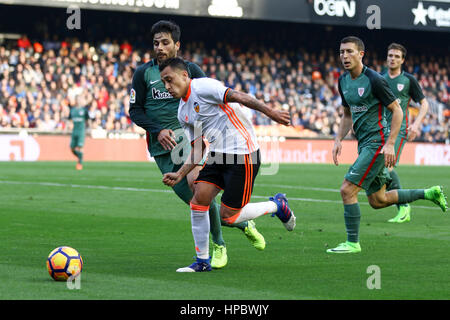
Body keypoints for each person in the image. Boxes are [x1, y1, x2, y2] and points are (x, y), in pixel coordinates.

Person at [128, 20, 265, 270]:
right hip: (161, 149)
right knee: (195, 201)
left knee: (197, 188)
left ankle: (218, 246)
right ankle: (242, 222)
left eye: (165, 42)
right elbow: (134, 111)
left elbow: (216, 101)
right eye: (156, 43)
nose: (159, 47)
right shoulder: (143, 74)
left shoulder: (190, 70)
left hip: (190, 139)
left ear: (177, 45)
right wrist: (157, 131)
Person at [159, 58, 296, 272]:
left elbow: (239, 96)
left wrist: (272, 113)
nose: (167, 86)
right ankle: (202, 261)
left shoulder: (203, 86)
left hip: (243, 154)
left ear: (185, 75)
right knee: (199, 200)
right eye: (164, 83)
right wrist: (180, 174)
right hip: (216, 155)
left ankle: (277, 205)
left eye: (170, 80)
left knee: (229, 216)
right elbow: (198, 149)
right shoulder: (182, 111)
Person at [328, 36, 447, 254]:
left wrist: (390, 143)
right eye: (342, 52)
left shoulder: (374, 79)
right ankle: (429, 193)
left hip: (378, 143)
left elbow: (398, 110)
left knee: (347, 190)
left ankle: (352, 243)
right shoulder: (343, 81)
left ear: (361, 54)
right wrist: (338, 139)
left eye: (350, 52)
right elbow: (346, 114)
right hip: (364, 144)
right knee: (378, 200)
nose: (345, 56)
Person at [382, 43, 430, 223]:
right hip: (379, 130)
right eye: (390, 55)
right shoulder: (379, 78)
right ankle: (400, 202)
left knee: (387, 168)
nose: (392, 58)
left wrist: (416, 125)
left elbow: (424, 104)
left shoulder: (408, 80)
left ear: (402, 60)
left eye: (396, 56)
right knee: (378, 171)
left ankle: (403, 206)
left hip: (399, 131)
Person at [69, 94, 90, 170]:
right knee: (72, 148)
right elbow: (69, 120)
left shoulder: (84, 110)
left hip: (81, 131)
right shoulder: (72, 110)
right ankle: (80, 156)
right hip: (74, 131)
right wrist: (68, 127)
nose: (78, 101)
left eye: (80, 99)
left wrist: (89, 129)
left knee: (80, 147)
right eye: (77, 99)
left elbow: (88, 120)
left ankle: (79, 163)